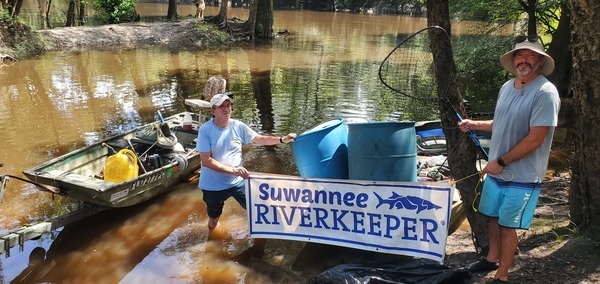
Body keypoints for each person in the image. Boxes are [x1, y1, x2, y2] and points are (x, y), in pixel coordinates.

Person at [458, 37, 560, 283]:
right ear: (513, 60)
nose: (523, 60)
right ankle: (491, 259)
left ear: (540, 61)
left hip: (523, 175)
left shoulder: (546, 92)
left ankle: (502, 275)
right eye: (519, 55)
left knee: (507, 225)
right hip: (497, 171)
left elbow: (535, 138)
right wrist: (475, 124)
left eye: (530, 56)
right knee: (492, 217)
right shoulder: (506, 87)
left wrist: (500, 161)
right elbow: (500, 124)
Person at [196, 93, 297, 229]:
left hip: (237, 181)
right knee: (214, 220)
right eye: (221, 107)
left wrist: (281, 139)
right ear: (213, 111)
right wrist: (233, 170)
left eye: (228, 106)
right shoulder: (205, 130)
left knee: (257, 210)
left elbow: (259, 139)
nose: (227, 109)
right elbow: (206, 161)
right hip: (213, 185)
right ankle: (213, 238)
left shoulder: (238, 126)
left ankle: (260, 238)